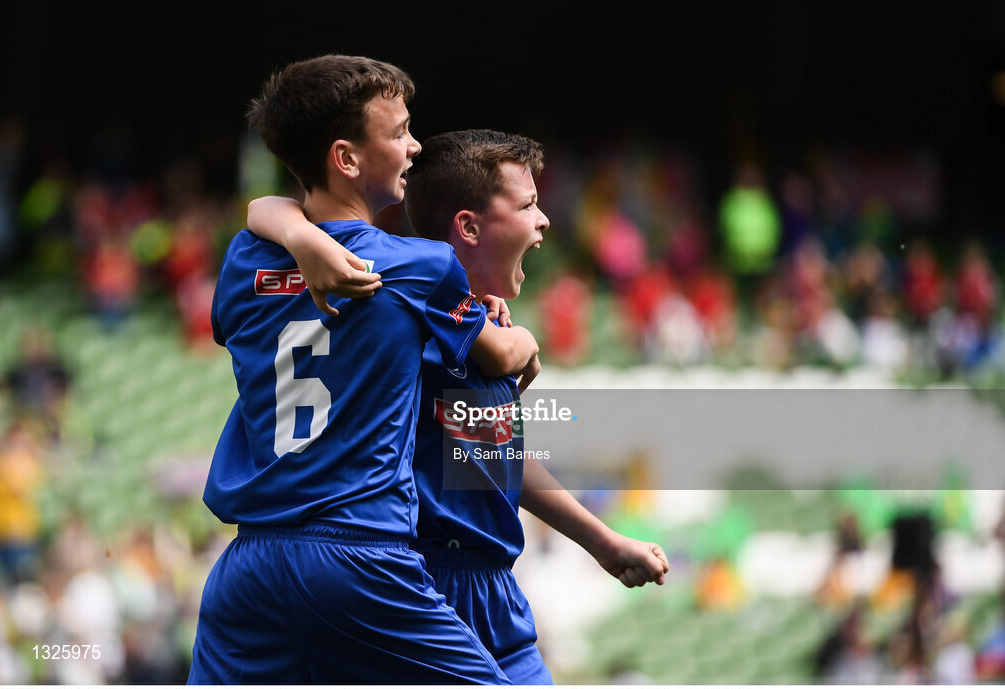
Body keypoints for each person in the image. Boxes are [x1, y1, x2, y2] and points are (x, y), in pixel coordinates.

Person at [248, 128, 669, 683]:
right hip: (417, 581)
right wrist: (296, 233)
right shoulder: (400, 316)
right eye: (528, 205)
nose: (544, 220)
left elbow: (494, 460)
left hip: (496, 590)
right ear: (469, 226)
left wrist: (604, 543)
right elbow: (269, 209)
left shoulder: (481, 327)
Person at [189, 55, 543, 685]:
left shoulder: (243, 259)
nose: (414, 145)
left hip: (247, 568)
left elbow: (263, 216)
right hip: (361, 557)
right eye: (400, 131)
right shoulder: (420, 267)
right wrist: (525, 339)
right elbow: (501, 355)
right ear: (347, 159)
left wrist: (300, 238)